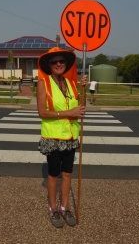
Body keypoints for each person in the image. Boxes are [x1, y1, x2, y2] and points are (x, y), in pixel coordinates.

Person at [36, 47, 87, 228]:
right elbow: (42, 112)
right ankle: (53, 208)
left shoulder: (72, 84)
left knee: (67, 174)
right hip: (53, 138)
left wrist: (84, 90)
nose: (58, 64)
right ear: (49, 65)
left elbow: (79, 108)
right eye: (54, 62)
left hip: (71, 137)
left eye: (62, 61)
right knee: (53, 174)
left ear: (66, 64)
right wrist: (68, 112)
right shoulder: (43, 83)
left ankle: (65, 207)